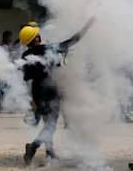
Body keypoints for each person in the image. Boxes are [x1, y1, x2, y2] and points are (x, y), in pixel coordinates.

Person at [20, 18, 95, 165]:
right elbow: (72, 40)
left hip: (37, 91)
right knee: (50, 125)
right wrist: (87, 26)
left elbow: (26, 77)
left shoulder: (26, 56)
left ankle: (50, 152)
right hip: (51, 90)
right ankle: (33, 147)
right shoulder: (48, 49)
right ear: (35, 37)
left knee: (48, 122)